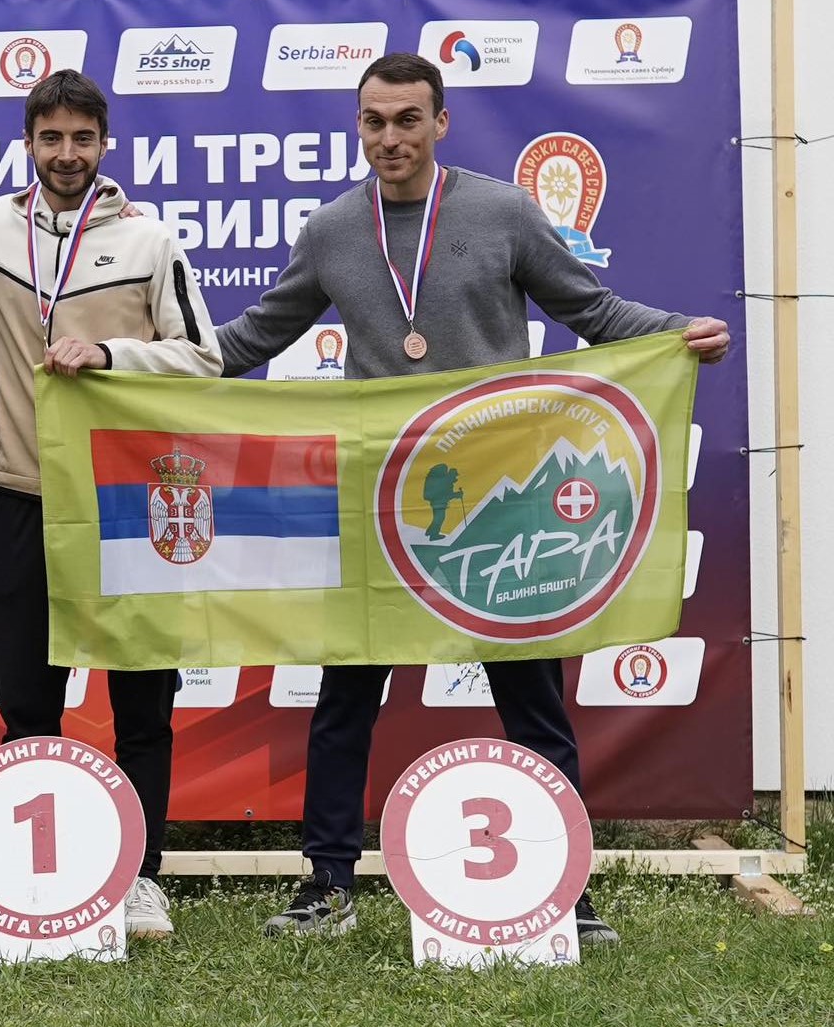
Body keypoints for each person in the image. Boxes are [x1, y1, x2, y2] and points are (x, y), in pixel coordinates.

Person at [215, 52, 731, 946]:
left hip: (501, 497)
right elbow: (251, 337)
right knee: (344, 699)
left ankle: (566, 890)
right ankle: (326, 886)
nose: (390, 138)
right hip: (383, 502)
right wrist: (125, 364)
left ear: (440, 123)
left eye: (408, 120)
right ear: (359, 126)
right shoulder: (333, 229)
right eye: (374, 121)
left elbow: (593, 311)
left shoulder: (502, 211)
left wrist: (677, 331)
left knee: (533, 699)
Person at [0, 70, 222, 938]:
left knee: (142, 704)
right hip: (25, 496)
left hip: (128, 504)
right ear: (28, 142)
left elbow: (203, 359)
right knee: (28, 701)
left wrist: (109, 354)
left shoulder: (149, 240)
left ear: (106, 143)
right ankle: (33, 874)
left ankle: (142, 877)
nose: (67, 155)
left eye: (82, 139)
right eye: (52, 138)